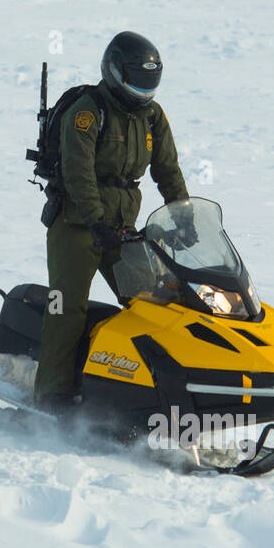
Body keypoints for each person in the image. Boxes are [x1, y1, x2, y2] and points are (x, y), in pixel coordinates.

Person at [34, 31, 189, 408]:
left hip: (123, 229)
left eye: (150, 80)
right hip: (76, 227)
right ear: (115, 72)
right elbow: (78, 172)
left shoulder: (152, 115)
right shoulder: (88, 112)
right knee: (66, 306)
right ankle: (51, 395)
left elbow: (167, 169)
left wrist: (183, 215)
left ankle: (153, 390)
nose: (143, 88)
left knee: (154, 303)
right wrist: (95, 221)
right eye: (137, 79)